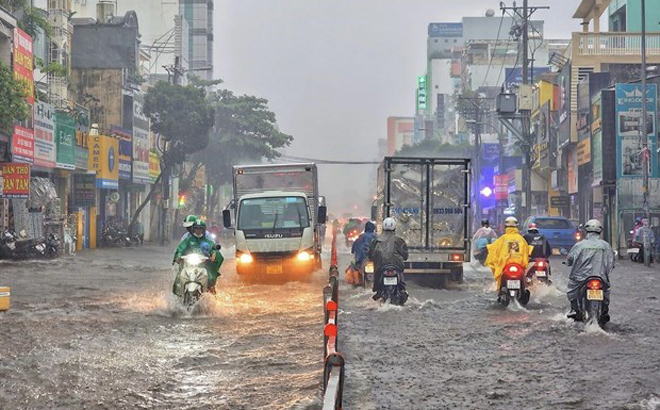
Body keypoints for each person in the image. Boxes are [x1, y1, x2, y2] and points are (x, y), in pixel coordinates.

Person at [565, 219, 615, 320]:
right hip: (601, 276)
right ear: (600, 231)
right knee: (606, 290)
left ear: (586, 231)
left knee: (572, 289)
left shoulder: (580, 245)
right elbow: (612, 261)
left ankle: (574, 309)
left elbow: (570, 258)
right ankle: (605, 309)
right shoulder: (606, 245)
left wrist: (568, 263)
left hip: (581, 277)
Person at [173, 220, 223, 294]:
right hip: (188, 264)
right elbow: (181, 248)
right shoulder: (188, 239)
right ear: (193, 229)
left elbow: (213, 249)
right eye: (196, 228)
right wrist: (178, 256)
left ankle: (211, 295)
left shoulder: (207, 240)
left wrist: (213, 255)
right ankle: (178, 296)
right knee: (179, 277)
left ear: (203, 230)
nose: (198, 231)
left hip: (204, 264)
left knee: (210, 279)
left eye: (200, 229)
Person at [485, 216, 533, 291]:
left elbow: (493, 249)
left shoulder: (502, 239)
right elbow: (527, 250)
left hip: (505, 266)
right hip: (519, 266)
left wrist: (487, 248)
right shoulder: (521, 239)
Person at [368, 217, 409, 299]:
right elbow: (405, 256)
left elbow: (371, 255)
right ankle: (402, 289)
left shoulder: (376, 240)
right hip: (396, 267)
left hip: (380, 267)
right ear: (394, 227)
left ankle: (378, 290)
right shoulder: (399, 240)